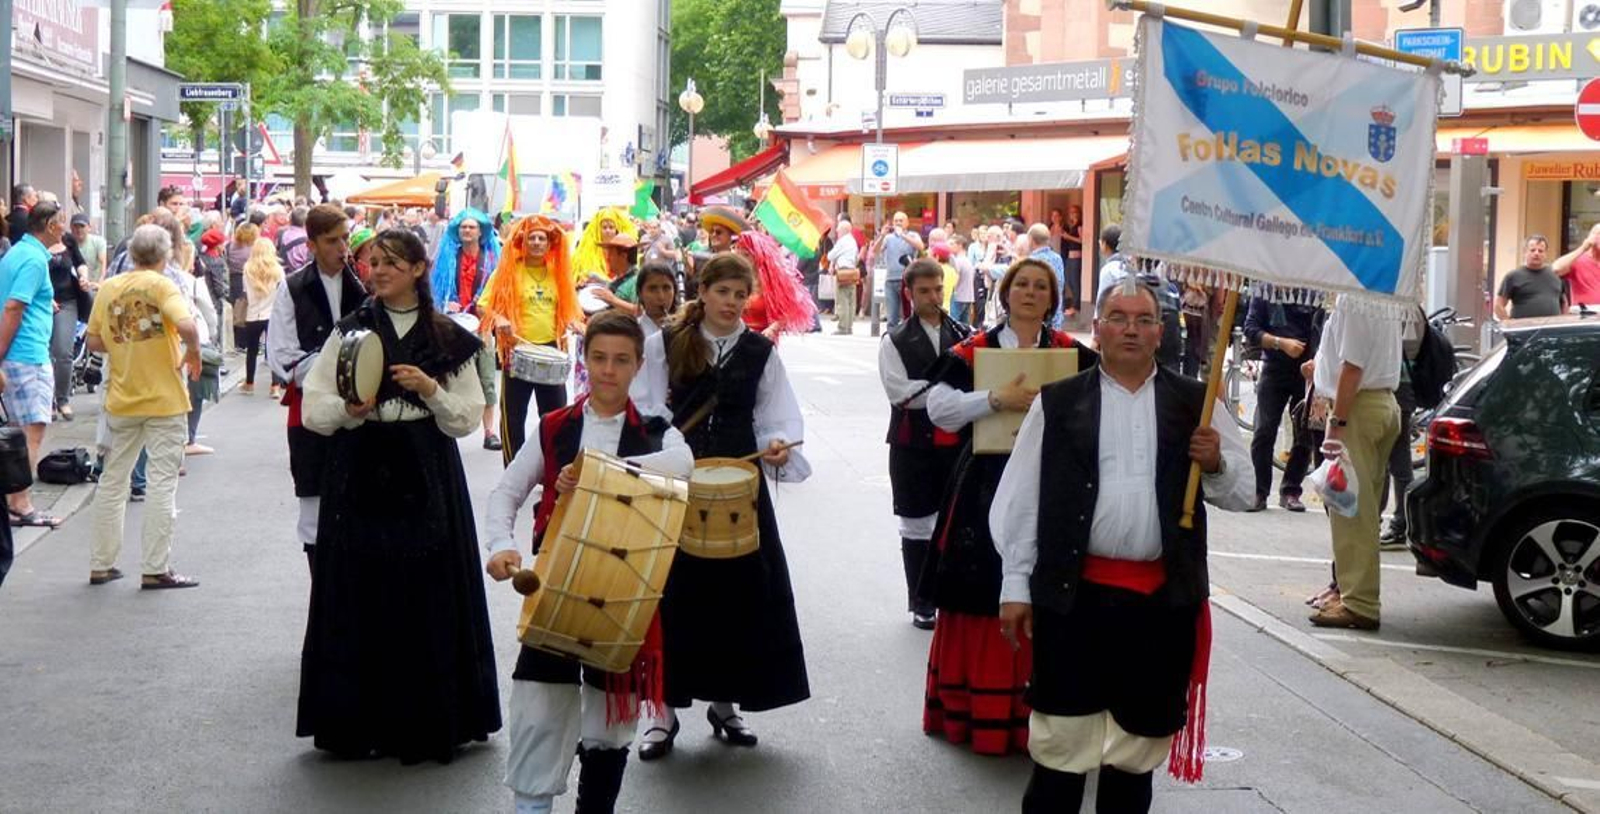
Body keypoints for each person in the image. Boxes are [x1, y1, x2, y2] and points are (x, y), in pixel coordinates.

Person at [993, 280, 1254, 813]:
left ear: (1161, 332)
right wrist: (1015, 585)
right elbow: (1019, 500)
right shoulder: (1059, 402)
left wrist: (1217, 463)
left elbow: (1245, 493)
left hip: (1158, 608)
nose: (1131, 329)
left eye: (1143, 319)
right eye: (1118, 317)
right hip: (1074, 601)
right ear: (1099, 329)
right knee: (1061, 751)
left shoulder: (1196, 406)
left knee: (1134, 756)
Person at [296, 228, 501, 764]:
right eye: (373, 262)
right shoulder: (350, 332)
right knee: (362, 588)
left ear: (416, 269)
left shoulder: (446, 338)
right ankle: (359, 720)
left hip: (425, 466)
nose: (378, 270)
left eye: (390, 263)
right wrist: (349, 411)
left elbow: (465, 420)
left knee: (427, 589)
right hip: (360, 464)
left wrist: (431, 390)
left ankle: (428, 719)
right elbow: (314, 408)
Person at [484, 311, 693, 814]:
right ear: (585, 361)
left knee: (608, 725)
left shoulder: (660, 431)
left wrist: (598, 471)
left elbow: (682, 466)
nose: (608, 370)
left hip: (624, 596)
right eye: (598, 358)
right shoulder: (556, 426)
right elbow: (506, 493)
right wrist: (498, 545)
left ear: (638, 365)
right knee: (538, 710)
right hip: (554, 588)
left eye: (622, 360)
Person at [629, 252, 811, 761]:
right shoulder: (663, 343)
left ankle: (725, 704)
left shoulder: (760, 352)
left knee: (737, 597)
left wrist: (776, 444)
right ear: (703, 292)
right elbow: (645, 406)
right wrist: (672, 450)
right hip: (677, 484)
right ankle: (662, 715)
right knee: (671, 597)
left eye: (739, 294)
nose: (731, 303)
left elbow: (777, 414)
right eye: (722, 292)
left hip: (737, 489)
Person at [918, 257, 1097, 757]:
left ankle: (1044, 710)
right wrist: (996, 399)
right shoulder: (973, 350)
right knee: (980, 587)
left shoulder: (1072, 354)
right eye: (1023, 284)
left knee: (1050, 583)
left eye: (1042, 286)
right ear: (1006, 291)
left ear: (1052, 298)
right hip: (983, 480)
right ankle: (981, 706)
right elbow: (939, 408)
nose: (1031, 292)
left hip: (1055, 483)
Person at [85, 224, 204, 589]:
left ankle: (101, 563)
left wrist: (124, 346)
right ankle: (155, 567)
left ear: (133, 253)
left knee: (113, 481)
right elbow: (187, 324)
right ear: (165, 255)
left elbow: (93, 341)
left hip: (122, 397)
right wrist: (193, 353)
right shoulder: (162, 285)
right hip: (164, 399)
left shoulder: (109, 287)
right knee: (161, 482)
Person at [267, 204, 366, 567]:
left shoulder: (363, 286)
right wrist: (337, 366)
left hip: (362, 411)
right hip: (310, 411)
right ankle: (321, 591)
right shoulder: (292, 288)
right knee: (314, 502)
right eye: (332, 241)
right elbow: (281, 357)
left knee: (359, 501)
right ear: (311, 245)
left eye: (345, 239)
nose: (342, 248)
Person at [879, 259, 972, 630]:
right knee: (916, 523)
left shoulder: (966, 333)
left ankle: (952, 595)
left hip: (958, 443)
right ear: (909, 293)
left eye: (938, 290)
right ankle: (921, 600)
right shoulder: (895, 340)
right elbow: (900, 393)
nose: (934, 297)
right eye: (924, 291)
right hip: (911, 444)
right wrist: (947, 393)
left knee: (958, 521)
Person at [1305, 295, 1402, 631]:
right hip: (1379, 403)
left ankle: (1358, 602)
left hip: (1359, 408)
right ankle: (1354, 595)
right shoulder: (1384, 295)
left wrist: (1338, 422)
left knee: (1350, 512)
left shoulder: (1357, 298)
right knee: (1362, 511)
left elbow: (1353, 366)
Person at [478, 215, 583, 464]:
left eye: (541, 238)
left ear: (549, 243)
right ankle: (513, 471)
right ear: (523, 242)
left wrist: (577, 324)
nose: (536, 242)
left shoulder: (557, 274)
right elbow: (484, 307)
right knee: (514, 416)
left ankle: (552, 471)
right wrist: (499, 318)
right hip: (517, 351)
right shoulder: (507, 272)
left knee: (556, 416)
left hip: (550, 353)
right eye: (532, 238)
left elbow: (568, 311)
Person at [0, 200, 65, 528]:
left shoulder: (18, 253)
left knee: (18, 428)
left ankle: (14, 500)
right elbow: (13, 307)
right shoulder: (34, 260)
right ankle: (20, 503)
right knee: (32, 428)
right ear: (51, 225)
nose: (64, 228)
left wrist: (44, 301)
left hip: (19, 353)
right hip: (26, 355)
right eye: (61, 222)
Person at [1241, 296, 1323, 512]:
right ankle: (1259, 491)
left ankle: (1291, 490)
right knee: (1264, 431)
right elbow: (1250, 328)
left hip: (1306, 371)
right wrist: (1280, 343)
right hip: (1274, 368)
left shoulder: (1312, 289)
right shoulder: (1266, 289)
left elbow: (1323, 329)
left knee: (1304, 434)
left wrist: (1316, 360)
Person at [432, 208, 504, 451]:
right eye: (463, 227)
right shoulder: (449, 257)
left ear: (481, 231)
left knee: (486, 378)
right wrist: (444, 304)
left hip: (482, 326)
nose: (467, 230)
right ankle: (445, 428)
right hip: (453, 326)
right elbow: (435, 290)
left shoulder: (493, 258)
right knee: (448, 378)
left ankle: (490, 432)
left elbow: (502, 294)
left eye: (471, 227)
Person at [733, 231, 817, 340]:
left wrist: (773, 328)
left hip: (762, 342)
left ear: (757, 255)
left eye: (746, 255)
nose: (741, 259)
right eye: (738, 254)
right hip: (736, 339)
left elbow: (788, 309)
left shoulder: (773, 281)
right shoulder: (732, 279)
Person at [46, 226, 88, 421]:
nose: (61, 227)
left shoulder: (68, 240)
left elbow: (80, 262)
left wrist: (83, 276)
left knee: (63, 351)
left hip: (67, 302)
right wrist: (46, 297)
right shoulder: (36, 242)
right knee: (45, 353)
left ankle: (62, 398)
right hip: (41, 302)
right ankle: (48, 401)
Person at [240, 236, 287, 398]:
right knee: (273, 350)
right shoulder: (277, 270)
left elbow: (245, 292)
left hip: (253, 314)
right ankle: (275, 386)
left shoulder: (247, 269)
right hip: (272, 314)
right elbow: (282, 293)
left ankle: (249, 383)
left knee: (251, 351)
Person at [1495, 235, 1568, 320]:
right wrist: (1508, 324)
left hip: (1551, 331)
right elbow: (1499, 306)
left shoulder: (1555, 275)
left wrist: (1563, 321)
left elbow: (1564, 302)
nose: (1536, 253)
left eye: (1540, 251)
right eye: (1532, 250)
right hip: (1524, 331)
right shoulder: (1513, 277)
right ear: (1525, 252)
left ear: (1545, 254)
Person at [874, 211, 924, 330]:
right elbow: (875, 250)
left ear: (907, 223)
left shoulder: (913, 235)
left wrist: (903, 236)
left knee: (907, 315)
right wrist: (881, 236)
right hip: (890, 280)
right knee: (892, 317)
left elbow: (921, 247)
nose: (898, 223)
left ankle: (907, 340)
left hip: (906, 280)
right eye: (896, 221)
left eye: (901, 221)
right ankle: (891, 341)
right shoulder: (888, 238)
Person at [1027, 223, 1072, 325]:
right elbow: (1060, 284)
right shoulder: (1057, 258)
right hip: (1055, 314)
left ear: (1031, 239)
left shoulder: (1031, 261)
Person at [1551, 222, 1600, 313]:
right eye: (1598, 234)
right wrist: (1583, 248)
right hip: (1584, 315)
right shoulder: (1578, 259)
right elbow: (1555, 269)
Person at [226, 222, 259, 350]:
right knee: (245, 311)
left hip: (233, 279)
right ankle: (243, 342)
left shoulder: (229, 246)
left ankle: (235, 340)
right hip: (248, 280)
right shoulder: (252, 250)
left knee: (236, 308)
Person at [827, 219, 861, 335]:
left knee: (843, 300)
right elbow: (857, 258)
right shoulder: (853, 241)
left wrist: (834, 259)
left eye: (838, 228)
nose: (836, 230)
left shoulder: (842, 241)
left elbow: (830, 256)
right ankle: (849, 326)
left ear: (844, 230)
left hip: (843, 272)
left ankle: (842, 327)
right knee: (851, 301)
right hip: (852, 271)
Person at [635, 262, 678, 337]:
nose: (661, 296)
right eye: (652, 289)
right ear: (640, 293)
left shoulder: (682, 330)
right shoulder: (633, 331)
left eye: (666, 288)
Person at [72, 214, 108, 286]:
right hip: (74, 288)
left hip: (93, 285)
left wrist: (100, 282)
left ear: (89, 228)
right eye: (76, 226)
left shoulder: (98, 241)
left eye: (82, 226)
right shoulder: (67, 244)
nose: (79, 230)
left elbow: (103, 262)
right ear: (71, 228)